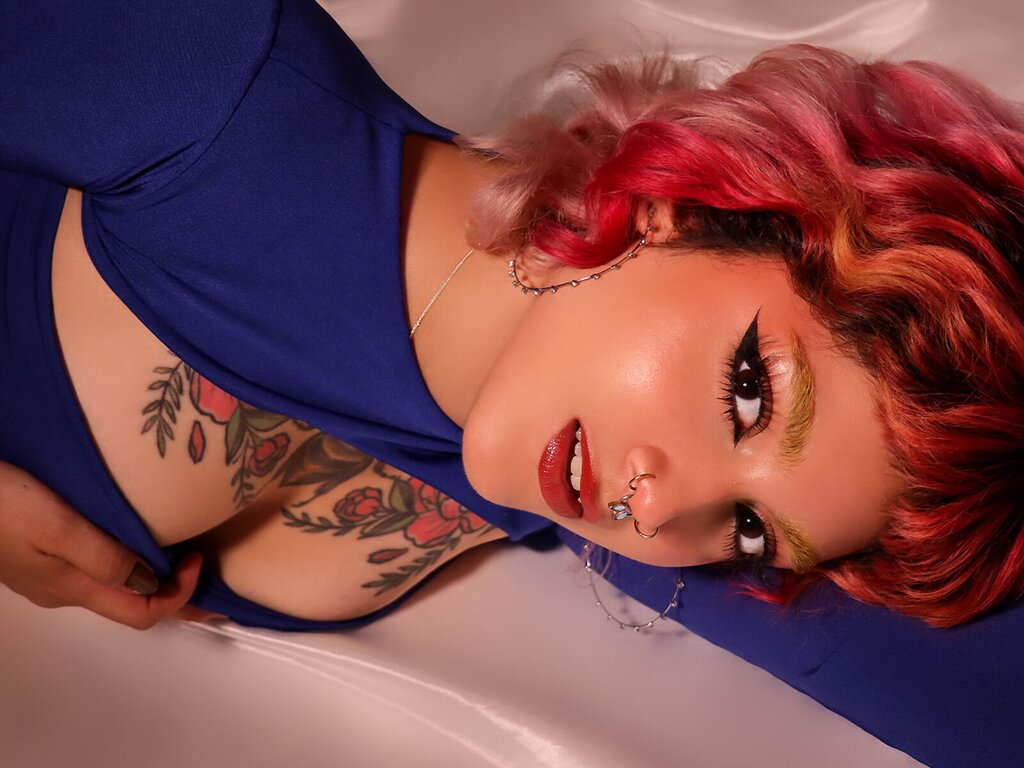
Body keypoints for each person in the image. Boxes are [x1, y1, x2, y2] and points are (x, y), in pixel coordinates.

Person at [1, 0, 1021, 633]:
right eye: (748, 393)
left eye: (751, 531)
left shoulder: (541, 482)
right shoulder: (219, 84)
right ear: (693, 205)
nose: (657, 512)